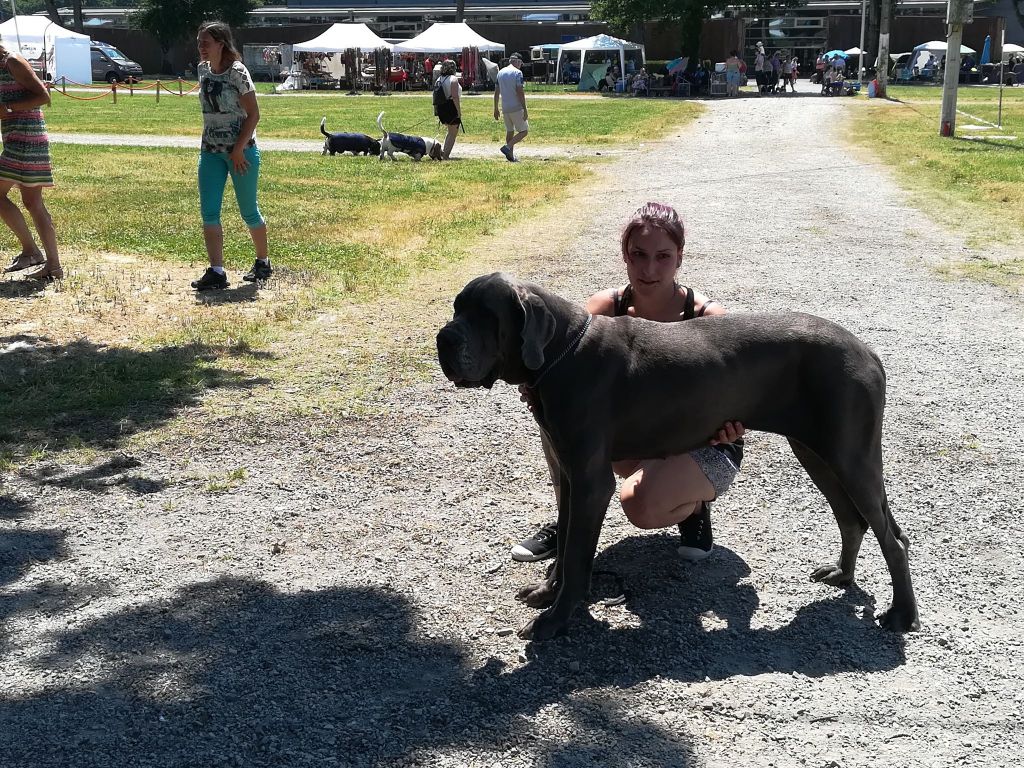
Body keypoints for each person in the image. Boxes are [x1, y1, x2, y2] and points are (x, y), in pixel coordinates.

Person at [512, 202, 745, 564]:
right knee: (556, 414)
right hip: (635, 435)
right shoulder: (604, 309)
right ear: (625, 254)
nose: (649, 269)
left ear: (680, 257)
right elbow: (562, 372)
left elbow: (742, 395)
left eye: (663, 256)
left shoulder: (708, 318)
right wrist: (540, 391)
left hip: (702, 445)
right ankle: (568, 521)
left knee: (641, 507)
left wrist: (733, 427)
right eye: (638, 254)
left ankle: (694, 507)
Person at [191, 21, 270, 292]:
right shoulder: (203, 70)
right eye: (199, 42)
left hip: (241, 153)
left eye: (206, 42)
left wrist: (238, 149)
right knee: (209, 212)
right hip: (210, 151)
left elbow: (254, 114)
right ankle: (217, 271)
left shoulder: (237, 72)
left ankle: (263, 261)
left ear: (221, 44)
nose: (201, 47)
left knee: (249, 211)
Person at [0, 40, 62, 281]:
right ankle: (51, 265)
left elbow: (43, 96)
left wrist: (8, 108)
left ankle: (32, 251)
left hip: (27, 139)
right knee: (33, 203)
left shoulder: (12, 62)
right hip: (19, 139)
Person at [494, 52, 529, 163]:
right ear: (517, 61)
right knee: (524, 131)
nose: (520, 65)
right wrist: (525, 108)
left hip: (505, 107)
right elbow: (520, 92)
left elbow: (496, 92)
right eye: (520, 63)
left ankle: (510, 155)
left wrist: (495, 108)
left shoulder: (500, 73)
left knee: (510, 131)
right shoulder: (517, 73)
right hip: (516, 107)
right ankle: (508, 147)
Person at [434, 59, 462, 160]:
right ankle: (445, 155)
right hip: (451, 106)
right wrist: (458, 111)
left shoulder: (439, 79)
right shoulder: (453, 79)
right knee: (453, 132)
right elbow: (455, 96)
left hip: (441, 107)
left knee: (450, 131)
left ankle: (442, 151)